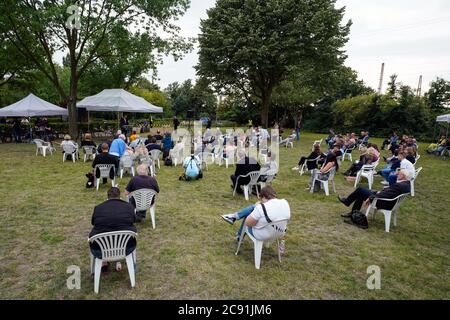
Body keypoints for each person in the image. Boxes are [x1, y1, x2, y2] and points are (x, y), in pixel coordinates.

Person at [89, 187, 137, 272]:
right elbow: (134, 220)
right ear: (119, 197)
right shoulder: (129, 207)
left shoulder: (98, 208)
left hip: (100, 249)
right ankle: (125, 263)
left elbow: (93, 223)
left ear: (107, 198)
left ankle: (103, 262)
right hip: (126, 246)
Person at [221, 186, 291, 241]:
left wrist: (256, 207)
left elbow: (248, 223)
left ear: (263, 197)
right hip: (280, 232)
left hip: (265, 234)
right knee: (254, 210)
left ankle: (238, 233)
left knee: (248, 215)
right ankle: (234, 217)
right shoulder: (284, 202)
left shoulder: (262, 207)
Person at [337, 169, 412, 217]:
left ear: (403, 176)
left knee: (360, 189)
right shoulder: (407, 184)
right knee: (361, 193)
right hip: (389, 201)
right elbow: (390, 193)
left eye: (399, 174)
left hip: (383, 202)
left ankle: (347, 202)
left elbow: (388, 194)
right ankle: (353, 213)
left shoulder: (399, 185)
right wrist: (380, 192)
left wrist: (373, 196)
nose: (397, 175)